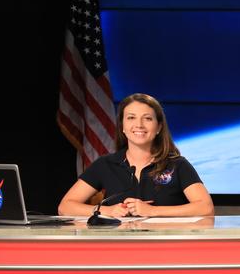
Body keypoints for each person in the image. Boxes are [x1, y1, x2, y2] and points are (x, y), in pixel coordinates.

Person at [58, 93, 214, 218]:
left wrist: (152, 211)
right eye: (131, 118)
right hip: (119, 248)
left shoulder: (177, 164)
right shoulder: (106, 164)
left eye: (147, 118)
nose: (139, 124)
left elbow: (205, 207)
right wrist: (107, 211)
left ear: (159, 126)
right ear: (123, 126)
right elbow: (65, 207)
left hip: (165, 247)